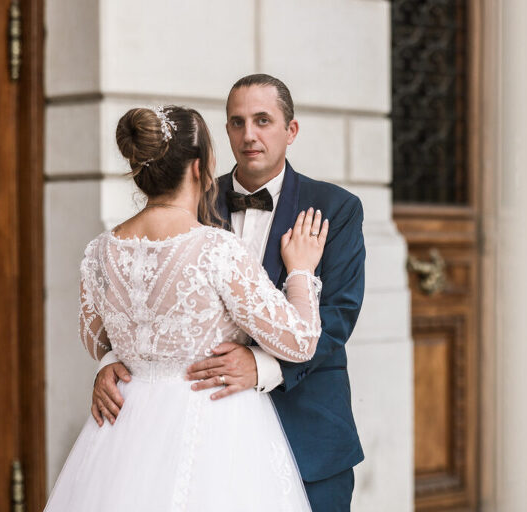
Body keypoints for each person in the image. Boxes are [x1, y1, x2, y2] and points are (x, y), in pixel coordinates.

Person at [92, 75, 366, 511]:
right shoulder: (190, 196)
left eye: (263, 120)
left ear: (291, 130)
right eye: (237, 122)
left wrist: (261, 365)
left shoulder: (335, 208)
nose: (249, 134)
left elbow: (338, 316)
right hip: (198, 445)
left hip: (308, 434)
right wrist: (116, 362)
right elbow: (147, 291)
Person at [44, 105, 328, 511]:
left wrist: (118, 360)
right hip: (213, 427)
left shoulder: (100, 251)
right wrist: (301, 270)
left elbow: (95, 341)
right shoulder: (216, 249)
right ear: (199, 167)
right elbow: (299, 342)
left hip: (125, 425)